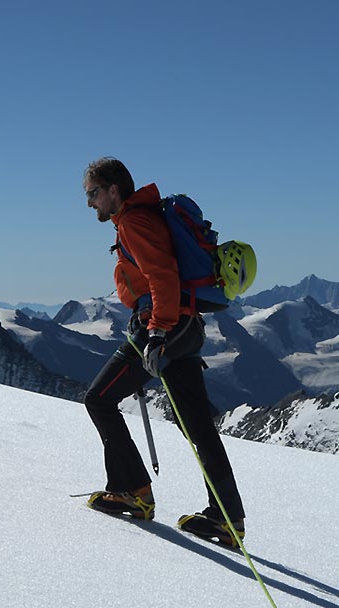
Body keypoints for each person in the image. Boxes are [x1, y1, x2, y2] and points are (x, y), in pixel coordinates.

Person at [81, 157, 246, 545]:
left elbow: (161, 275)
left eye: (92, 194)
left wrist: (155, 333)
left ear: (113, 191)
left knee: (99, 400)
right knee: (197, 427)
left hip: (163, 328)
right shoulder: (143, 217)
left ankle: (133, 491)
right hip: (184, 326)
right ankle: (228, 518)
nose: (89, 203)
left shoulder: (135, 222)